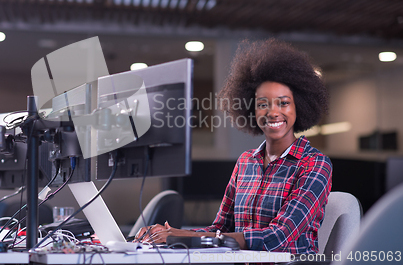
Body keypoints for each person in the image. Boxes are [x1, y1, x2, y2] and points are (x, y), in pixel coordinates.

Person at [135, 39, 332, 254]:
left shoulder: (314, 164)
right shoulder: (246, 161)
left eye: (283, 103)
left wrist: (187, 236)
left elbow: (277, 237)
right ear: (251, 110)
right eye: (262, 104)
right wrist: (174, 234)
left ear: (300, 106)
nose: (273, 113)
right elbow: (221, 229)